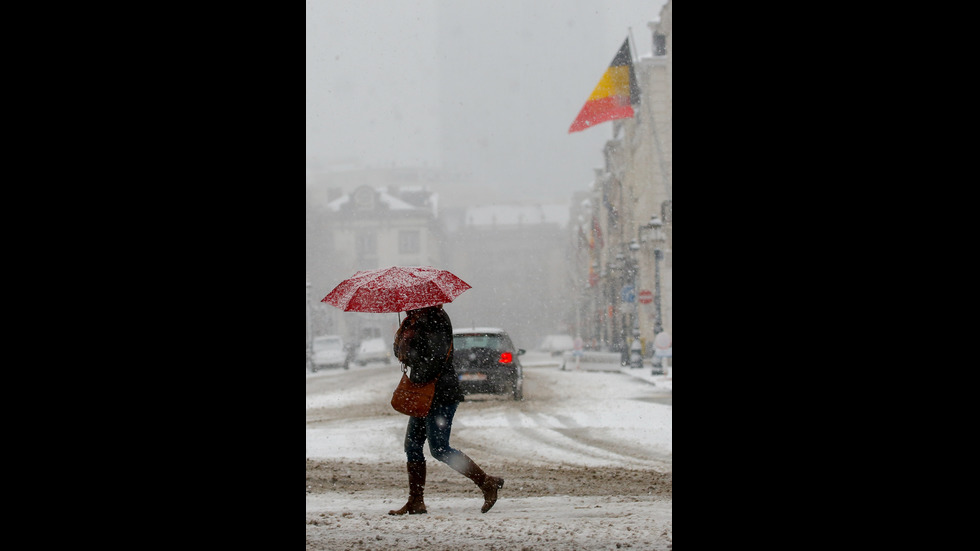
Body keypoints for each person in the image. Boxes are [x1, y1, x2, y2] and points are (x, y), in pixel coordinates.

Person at [388, 304, 504, 515]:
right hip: (424, 392)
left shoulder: (436, 319)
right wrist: (403, 342)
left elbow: (434, 360)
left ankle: (486, 483)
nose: (407, 303)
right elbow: (402, 354)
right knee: (412, 446)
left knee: (439, 448)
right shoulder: (413, 320)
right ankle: (416, 501)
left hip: (441, 392)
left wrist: (413, 350)